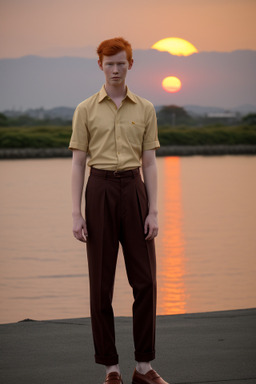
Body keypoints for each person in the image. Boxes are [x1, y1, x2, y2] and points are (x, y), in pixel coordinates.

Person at [69, 37, 169, 384]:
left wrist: (153, 210)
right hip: (98, 192)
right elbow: (78, 163)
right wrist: (75, 213)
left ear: (130, 65)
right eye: (109, 64)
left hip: (135, 190)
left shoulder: (145, 108)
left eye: (121, 63)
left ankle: (144, 368)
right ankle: (111, 369)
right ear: (101, 65)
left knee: (146, 282)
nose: (115, 69)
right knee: (101, 286)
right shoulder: (85, 109)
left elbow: (151, 163)